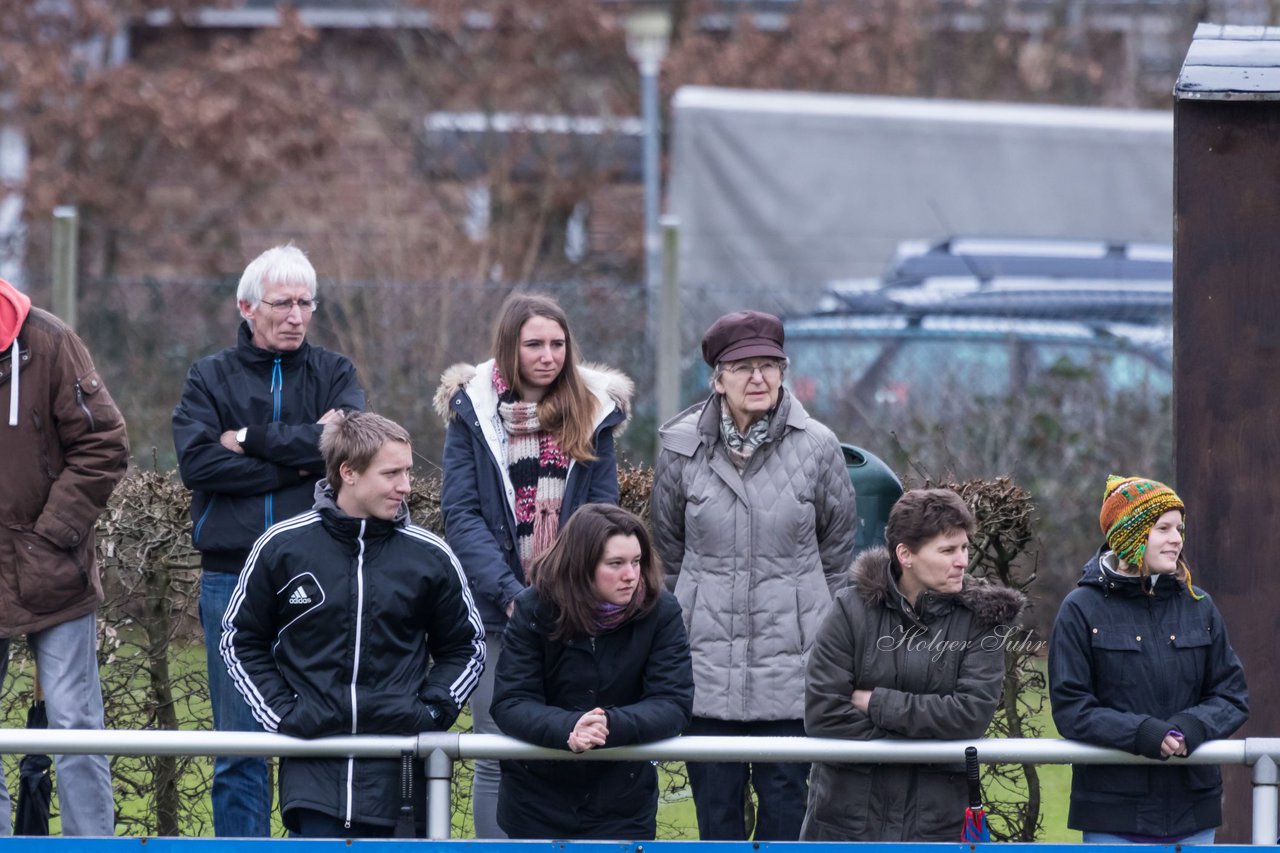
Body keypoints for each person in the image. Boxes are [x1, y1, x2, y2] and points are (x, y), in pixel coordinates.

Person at [172, 244, 365, 837]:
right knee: (239, 747)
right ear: (247, 307)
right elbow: (200, 466)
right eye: (283, 303)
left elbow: (347, 453)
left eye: (307, 302)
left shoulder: (337, 373)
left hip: (323, 570)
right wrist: (302, 456)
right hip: (230, 577)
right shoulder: (208, 376)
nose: (296, 315)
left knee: (326, 737)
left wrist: (249, 437)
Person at [220, 411, 485, 838]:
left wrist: (432, 710)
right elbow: (239, 640)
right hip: (313, 782)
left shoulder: (430, 555)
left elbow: (466, 646)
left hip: (401, 779)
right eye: (392, 473)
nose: (406, 486)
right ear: (349, 473)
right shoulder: (282, 547)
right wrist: (284, 713)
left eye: (408, 472)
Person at [650, 309, 858, 841]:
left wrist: (813, 624)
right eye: (742, 367)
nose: (758, 377)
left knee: (789, 821)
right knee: (715, 822)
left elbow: (837, 552)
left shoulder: (818, 446)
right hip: (706, 671)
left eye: (770, 365)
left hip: (793, 673)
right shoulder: (679, 446)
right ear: (717, 379)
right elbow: (669, 551)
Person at [434, 292, 632, 838]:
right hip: (498, 614)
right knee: (498, 751)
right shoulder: (470, 411)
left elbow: (601, 514)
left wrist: (564, 593)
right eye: (534, 344)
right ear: (509, 348)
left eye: (557, 344)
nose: (547, 356)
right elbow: (463, 514)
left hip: (575, 613)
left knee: (576, 744)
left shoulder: (594, 412)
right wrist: (510, 593)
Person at [801, 488, 1024, 841]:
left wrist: (877, 703)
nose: (963, 561)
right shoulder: (850, 609)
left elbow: (970, 715)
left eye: (964, 547)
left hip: (936, 828)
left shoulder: (982, 620)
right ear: (905, 554)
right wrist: (927, 738)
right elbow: (823, 715)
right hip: (846, 826)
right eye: (948, 550)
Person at [1049, 475, 1248, 845]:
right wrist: (1142, 734)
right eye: (1164, 528)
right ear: (1130, 536)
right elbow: (1071, 708)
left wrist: (1192, 726)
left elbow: (1232, 696)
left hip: (1194, 814)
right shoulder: (1080, 609)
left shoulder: (1199, 606)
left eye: (1180, 528)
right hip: (1113, 816)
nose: (1177, 539)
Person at [0, 276, 129, 836]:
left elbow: (105, 443)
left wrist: (52, 534)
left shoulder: (51, 342)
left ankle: (92, 847)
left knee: (75, 725)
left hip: (53, 572)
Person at [491, 503, 693, 840]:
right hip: (536, 802)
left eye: (636, 561)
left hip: (623, 803)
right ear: (581, 565)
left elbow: (673, 704)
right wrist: (568, 727)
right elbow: (511, 702)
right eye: (615, 564)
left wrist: (607, 725)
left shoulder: (662, 611)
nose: (631, 575)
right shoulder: (533, 608)